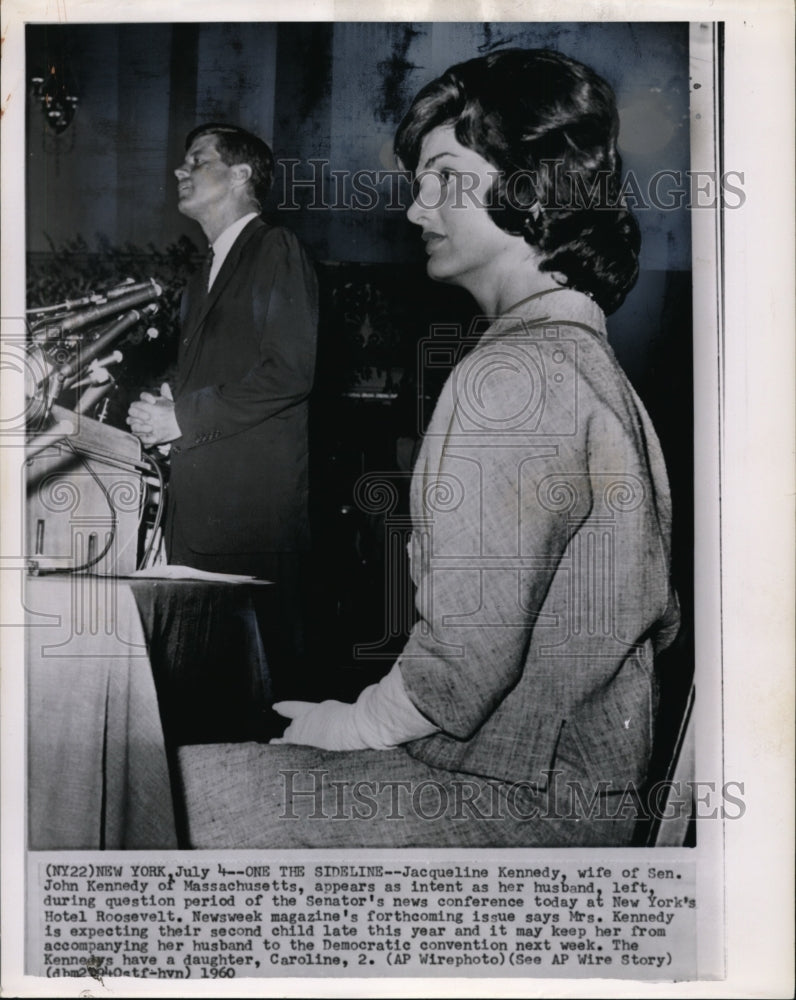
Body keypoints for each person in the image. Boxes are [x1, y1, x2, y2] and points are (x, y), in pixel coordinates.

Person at [178, 50, 680, 847]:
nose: (416, 211)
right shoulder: (583, 360)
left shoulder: (516, 372)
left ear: (534, 183)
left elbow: (461, 671)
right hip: (551, 791)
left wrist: (348, 725)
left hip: (507, 806)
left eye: (445, 177)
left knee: (157, 799)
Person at [127, 123, 318, 673]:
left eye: (197, 160)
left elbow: (289, 372)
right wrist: (161, 408)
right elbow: (216, 378)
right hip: (198, 517)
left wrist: (181, 416)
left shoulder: (276, 248)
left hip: (248, 520)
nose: (179, 171)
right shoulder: (202, 275)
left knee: (259, 693)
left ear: (241, 174)